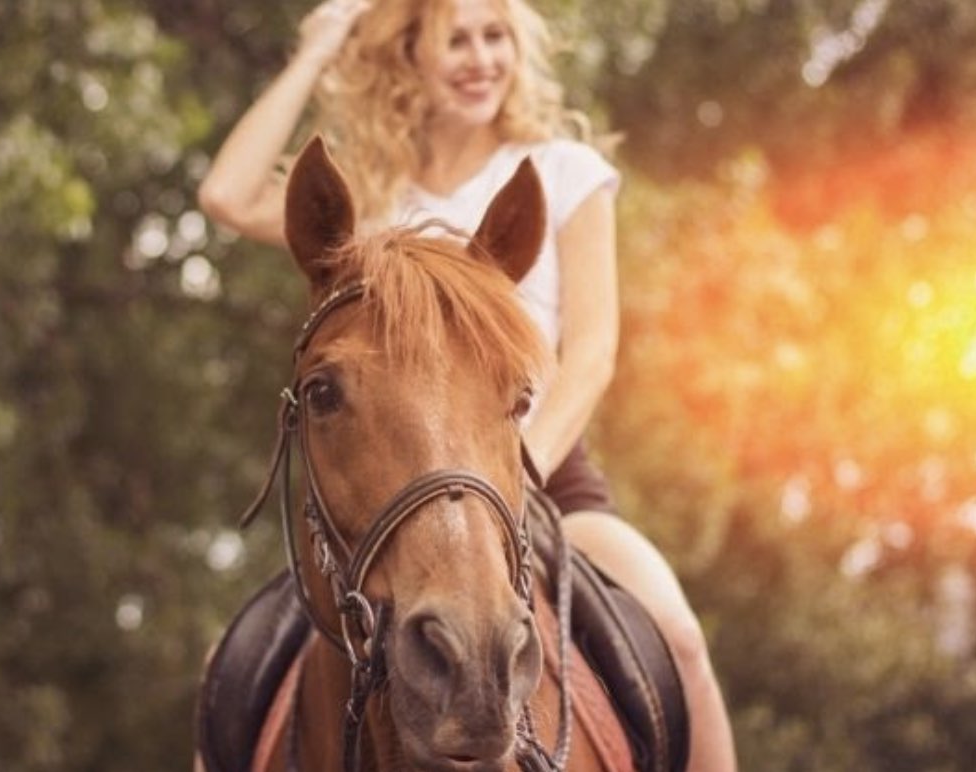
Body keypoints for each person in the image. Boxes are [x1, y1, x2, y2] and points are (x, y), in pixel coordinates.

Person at [198, 0, 737, 769]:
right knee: (234, 662)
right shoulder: (375, 193)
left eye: (497, 38)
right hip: (391, 491)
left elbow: (591, 352)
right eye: (457, 41)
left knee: (680, 637)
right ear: (411, 55)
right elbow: (224, 195)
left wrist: (516, 472)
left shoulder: (562, 172)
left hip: (540, 474)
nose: (481, 59)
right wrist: (317, 50)